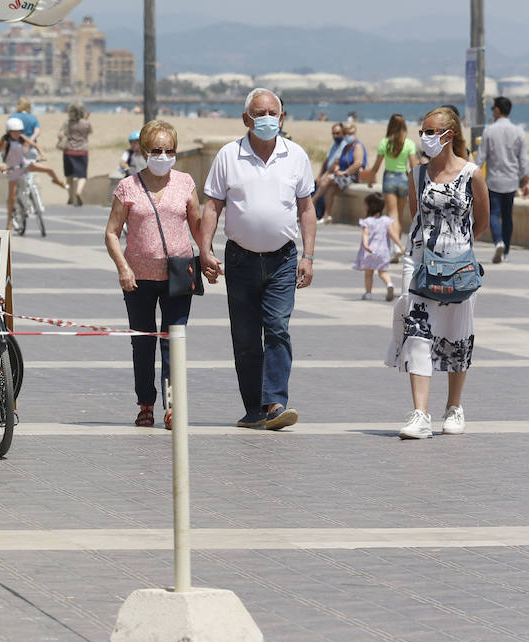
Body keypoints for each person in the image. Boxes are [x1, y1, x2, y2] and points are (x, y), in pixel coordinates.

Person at [199, 88, 316, 431]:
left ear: (282, 117)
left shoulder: (295, 156)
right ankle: (254, 409)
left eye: (272, 113)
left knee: (277, 328)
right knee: (247, 337)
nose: (266, 119)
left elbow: (306, 209)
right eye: (258, 113)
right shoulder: (228, 156)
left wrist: (308, 255)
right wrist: (205, 249)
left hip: (282, 259)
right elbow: (212, 206)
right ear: (246, 119)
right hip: (240, 260)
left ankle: (276, 402)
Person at [389, 107, 489, 439]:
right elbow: (416, 216)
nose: (424, 138)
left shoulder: (472, 174)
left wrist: (455, 247)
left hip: (458, 264)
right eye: (423, 131)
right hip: (418, 262)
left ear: (449, 135)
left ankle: (454, 406)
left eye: (431, 132)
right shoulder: (417, 174)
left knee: (457, 333)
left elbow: (483, 222)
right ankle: (420, 414)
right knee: (417, 331)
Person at [103, 120, 204, 428]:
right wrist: (123, 268)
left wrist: (209, 256)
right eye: (157, 150)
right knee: (143, 343)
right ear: (145, 151)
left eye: (169, 150)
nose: (163, 155)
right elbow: (111, 233)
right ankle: (145, 403)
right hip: (138, 278)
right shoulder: (127, 187)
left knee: (173, 341)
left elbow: (198, 226)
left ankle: (172, 406)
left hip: (179, 274)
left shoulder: (185, 182)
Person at [477, 97, 529, 263]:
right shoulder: (519, 131)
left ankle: (498, 241)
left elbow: (481, 157)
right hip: (511, 181)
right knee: (507, 217)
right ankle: (505, 250)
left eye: (493, 108)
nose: (493, 111)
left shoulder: (489, 131)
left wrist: (473, 175)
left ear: (498, 110)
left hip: (494, 180)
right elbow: (523, 159)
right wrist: (526, 179)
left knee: (493, 213)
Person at [0, 117, 66, 229]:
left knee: (49, 169)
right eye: (15, 131)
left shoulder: (21, 138)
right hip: (13, 169)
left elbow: (35, 145)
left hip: (24, 164)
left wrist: (42, 154)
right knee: (12, 197)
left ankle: (57, 181)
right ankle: (9, 222)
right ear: (9, 131)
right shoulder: (5, 142)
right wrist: (1, 165)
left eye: (19, 131)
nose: (18, 133)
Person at [363, 114, 417, 228]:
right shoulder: (409, 143)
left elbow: (376, 166)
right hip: (403, 178)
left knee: (392, 214)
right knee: (400, 216)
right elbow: (414, 166)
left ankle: (395, 245)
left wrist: (370, 179)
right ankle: (397, 243)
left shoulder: (384, 143)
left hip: (389, 178)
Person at [314, 122, 367, 223]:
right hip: (343, 176)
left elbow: (358, 163)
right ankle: (326, 216)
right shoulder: (346, 147)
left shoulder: (358, 146)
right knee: (330, 190)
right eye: (346, 133)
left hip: (352, 176)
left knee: (329, 178)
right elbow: (338, 161)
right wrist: (338, 169)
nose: (348, 136)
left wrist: (344, 172)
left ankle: (314, 200)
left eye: (350, 133)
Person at [353, 192, 399, 301]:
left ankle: (368, 293)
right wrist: (400, 245)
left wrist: (365, 245)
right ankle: (389, 284)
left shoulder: (367, 222)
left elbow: (365, 234)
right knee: (382, 272)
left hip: (370, 251)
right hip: (383, 252)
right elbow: (393, 234)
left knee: (369, 274)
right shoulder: (386, 221)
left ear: (368, 207)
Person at [57, 103, 93, 206]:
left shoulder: (67, 123)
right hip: (82, 151)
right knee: (82, 175)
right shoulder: (86, 123)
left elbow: (60, 135)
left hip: (69, 151)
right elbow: (90, 132)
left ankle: (70, 197)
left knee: (69, 176)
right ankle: (79, 191)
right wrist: (86, 119)